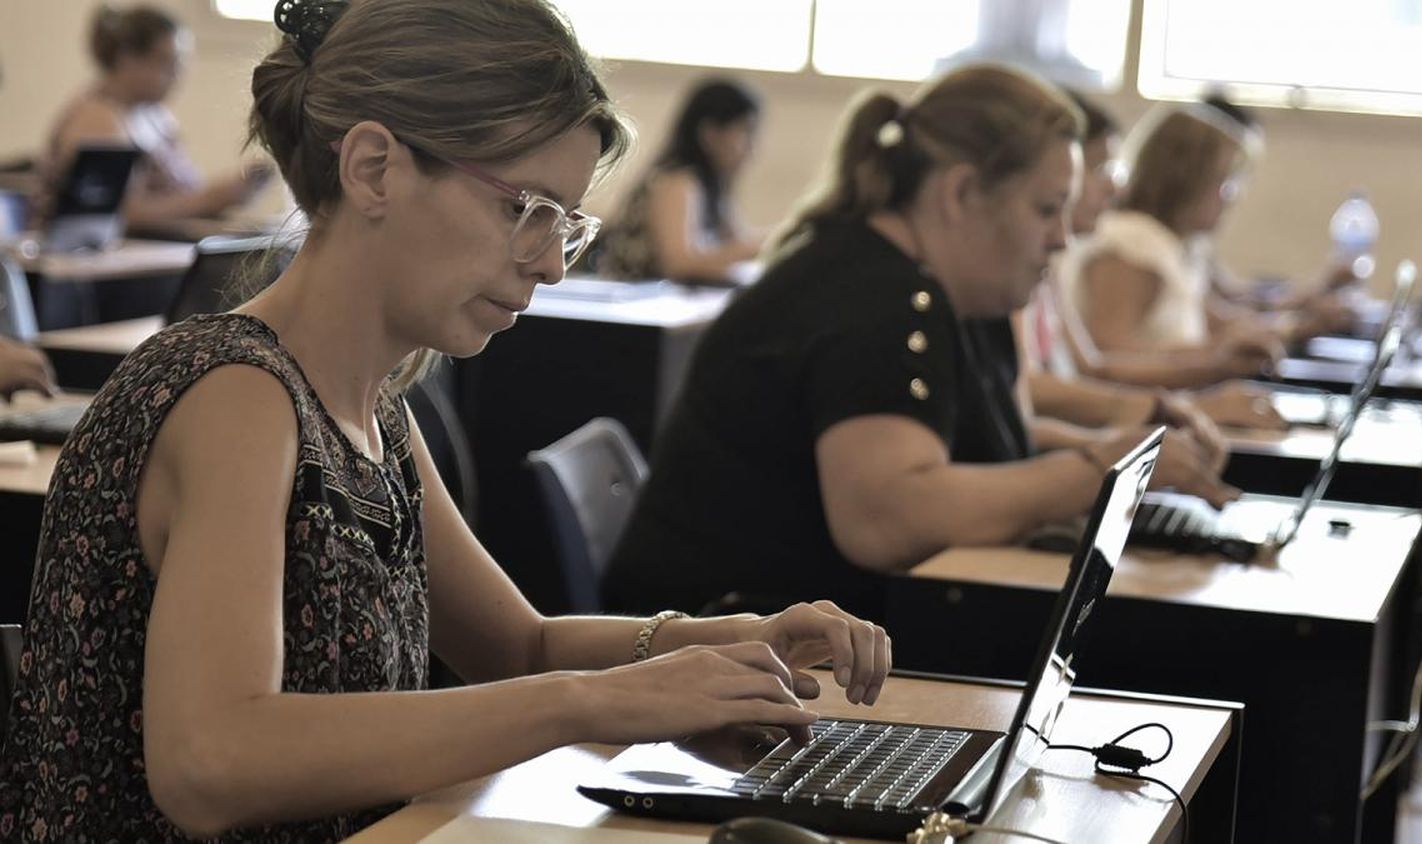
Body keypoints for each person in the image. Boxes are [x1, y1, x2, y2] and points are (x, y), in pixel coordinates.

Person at [0, 2, 889, 840]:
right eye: (525, 211)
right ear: (375, 167)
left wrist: (712, 648)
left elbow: (520, 644)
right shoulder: (233, 395)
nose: (551, 265)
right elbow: (209, 763)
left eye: (566, 225)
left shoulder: (370, 407)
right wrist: (596, 704)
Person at [604, 65, 1236, 623]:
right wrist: (1097, 472)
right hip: (722, 655)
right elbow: (889, 519)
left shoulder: (954, 293)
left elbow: (991, 443)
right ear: (960, 193)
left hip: (790, 647)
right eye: (1047, 210)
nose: (1063, 239)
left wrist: (1122, 450)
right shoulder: (872, 298)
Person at [1023, 90, 1285, 431]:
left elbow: (1090, 368)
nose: (1115, 187)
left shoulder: (1051, 266)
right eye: (1100, 168)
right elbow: (1086, 369)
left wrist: (1216, 368)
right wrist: (1195, 397)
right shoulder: (1135, 244)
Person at [35, 4, 270, 233]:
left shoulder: (156, 117)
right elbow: (122, 214)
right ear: (127, 59)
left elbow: (183, 194)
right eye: (167, 63)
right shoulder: (98, 120)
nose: (178, 76)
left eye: (181, 65)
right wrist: (211, 199)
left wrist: (231, 192)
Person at [596, 77, 763, 283]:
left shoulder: (714, 187)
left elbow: (735, 240)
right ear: (710, 133)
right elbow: (679, 264)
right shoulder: (677, 181)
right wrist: (756, 246)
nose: (752, 148)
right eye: (745, 132)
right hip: (630, 300)